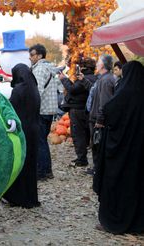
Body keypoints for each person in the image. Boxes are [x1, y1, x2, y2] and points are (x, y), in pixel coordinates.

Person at [93, 61, 144, 234]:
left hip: (120, 150)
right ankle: (138, 223)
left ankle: (114, 221)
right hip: (139, 151)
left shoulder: (125, 93)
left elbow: (109, 111)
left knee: (117, 183)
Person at [3, 63, 41, 208]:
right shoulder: (34, 89)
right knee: (30, 165)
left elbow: (11, 110)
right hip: (34, 130)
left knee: (19, 163)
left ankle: (17, 197)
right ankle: (30, 197)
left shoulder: (18, 90)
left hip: (22, 131)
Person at [59, 58, 98, 167]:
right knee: (86, 133)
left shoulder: (83, 78)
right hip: (87, 109)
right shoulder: (95, 78)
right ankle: (85, 156)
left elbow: (72, 89)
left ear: (83, 67)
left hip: (77, 109)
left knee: (78, 134)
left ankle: (81, 159)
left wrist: (63, 79)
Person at [29, 44, 59, 181]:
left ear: (40, 55)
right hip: (49, 109)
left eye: (32, 54)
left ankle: (42, 172)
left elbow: (37, 91)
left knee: (40, 141)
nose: (30, 57)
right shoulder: (49, 68)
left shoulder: (40, 69)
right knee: (43, 141)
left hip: (41, 110)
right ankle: (46, 170)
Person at [86, 54, 115, 175]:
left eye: (98, 62)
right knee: (96, 144)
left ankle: (99, 169)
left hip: (98, 119)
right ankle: (97, 168)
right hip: (96, 117)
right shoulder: (103, 78)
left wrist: (100, 119)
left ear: (103, 65)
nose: (97, 64)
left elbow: (104, 102)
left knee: (98, 144)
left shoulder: (106, 80)